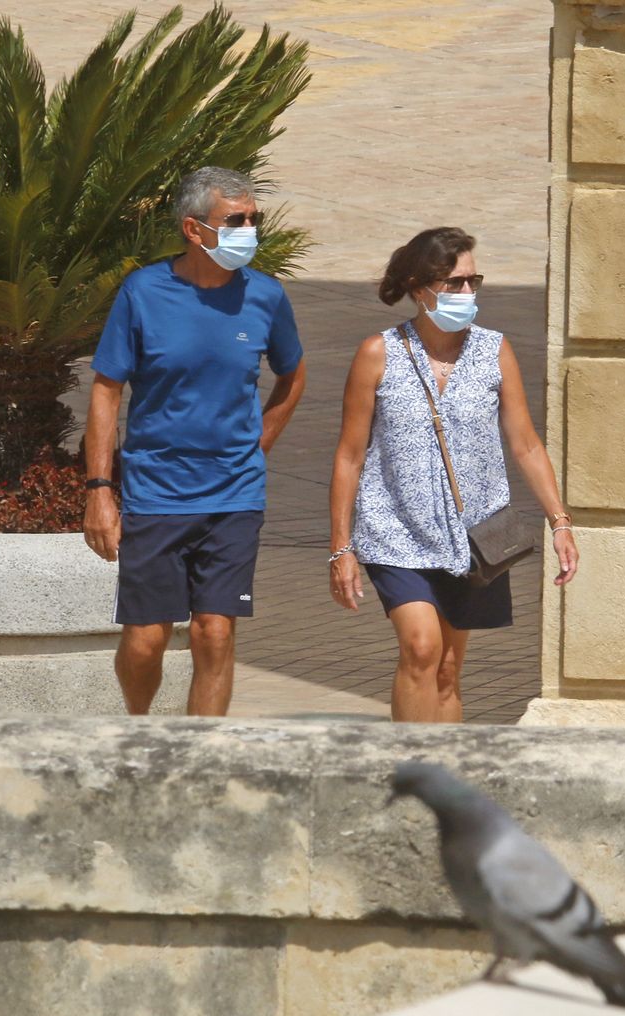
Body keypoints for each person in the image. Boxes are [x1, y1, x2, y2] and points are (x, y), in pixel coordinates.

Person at [328, 227, 578, 723]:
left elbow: (525, 443)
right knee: (421, 648)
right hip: (395, 532)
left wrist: (560, 522)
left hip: (474, 538)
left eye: (473, 281)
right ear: (420, 288)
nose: (467, 294)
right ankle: (413, 773)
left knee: (447, 667)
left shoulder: (494, 351)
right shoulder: (378, 353)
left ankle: (445, 780)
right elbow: (349, 456)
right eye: (454, 283)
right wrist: (341, 547)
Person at [83, 166, 305, 716]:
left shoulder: (266, 297)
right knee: (146, 639)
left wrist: (261, 442)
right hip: (156, 491)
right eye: (235, 220)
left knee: (214, 632)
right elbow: (107, 391)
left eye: (254, 219)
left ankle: (201, 758)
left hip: (234, 494)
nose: (249, 230)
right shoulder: (143, 293)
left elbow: (293, 374)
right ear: (193, 228)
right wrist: (99, 490)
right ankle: (139, 727)